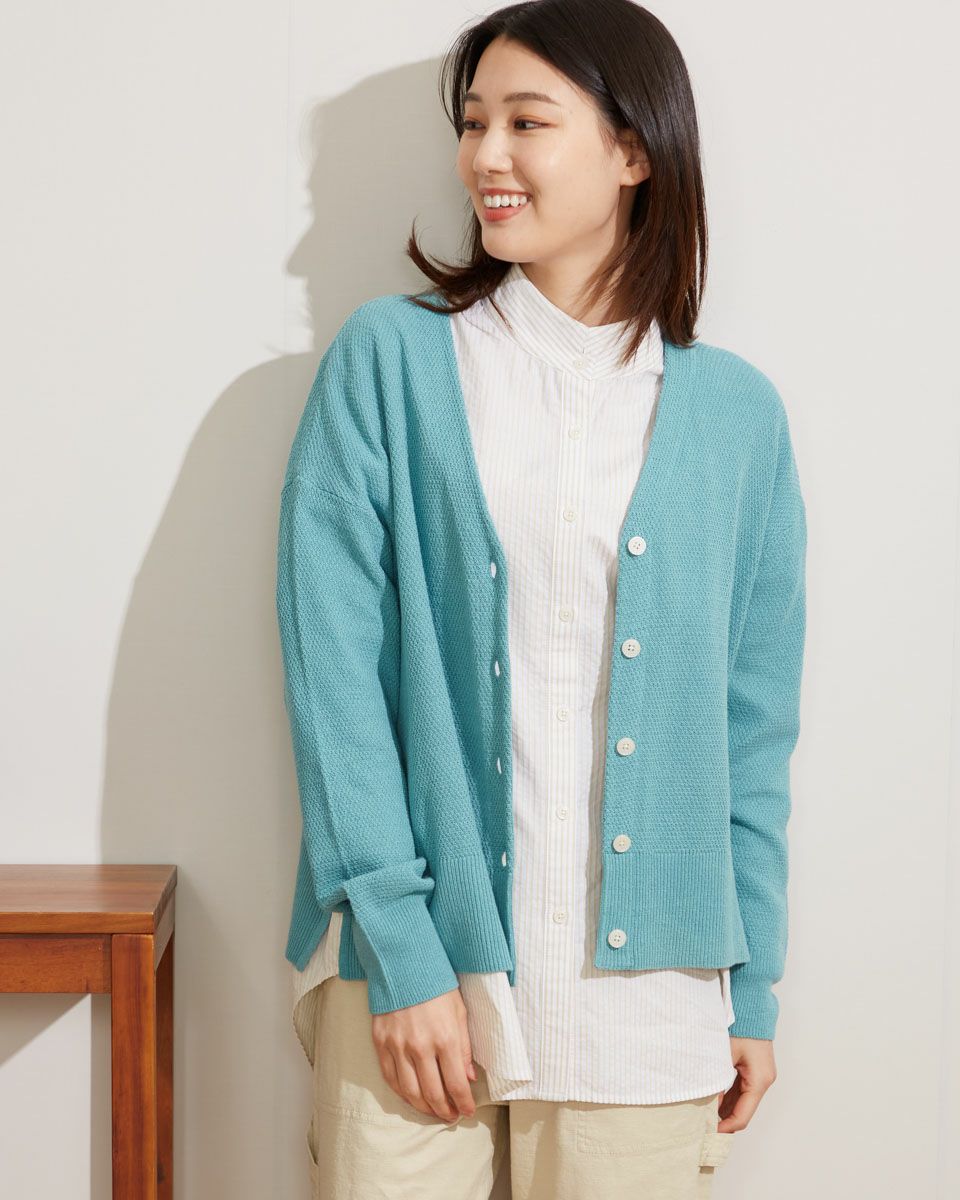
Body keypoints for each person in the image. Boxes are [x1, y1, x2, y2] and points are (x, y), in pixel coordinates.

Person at [275, 1, 807, 1196]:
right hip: (418, 975)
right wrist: (402, 950)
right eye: (473, 124)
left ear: (634, 152)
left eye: (527, 121)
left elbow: (750, 731)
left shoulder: (737, 418)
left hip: (653, 999)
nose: (486, 156)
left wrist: (755, 986)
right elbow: (331, 674)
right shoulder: (390, 362)